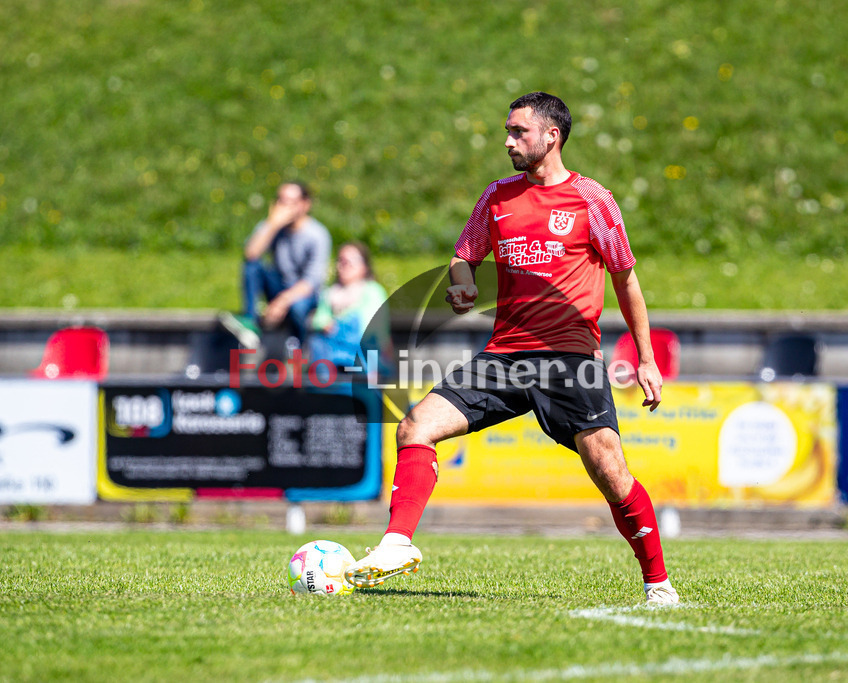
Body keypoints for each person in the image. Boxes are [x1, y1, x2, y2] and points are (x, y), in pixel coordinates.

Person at [344, 92, 679, 605]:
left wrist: (646, 359)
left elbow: (626, 281)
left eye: (519, 131)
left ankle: (658, 584)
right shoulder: (497, 197)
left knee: (611, 473)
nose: (508, 141)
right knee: (415, 427)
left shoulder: (592, 200)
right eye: (507, 130)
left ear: (552, 136)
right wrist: (462, 283)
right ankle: (396, 544)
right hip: (505, 354)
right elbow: (465, 253)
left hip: (571, 359)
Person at [241, 181, 331, 345]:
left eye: (291, 202)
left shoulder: (317, 234)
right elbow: (251, 254)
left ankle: (299, 346)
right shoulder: (273, 225)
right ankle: (250, 323)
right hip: (279, 284)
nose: (284, 207)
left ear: (305, 204)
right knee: (252, 267)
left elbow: (312, 281)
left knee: (298, 307)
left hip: (306, 294)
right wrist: (272, 225)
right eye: (281, 201)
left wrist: (282, 301)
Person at [307, 242, 389, 369]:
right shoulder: (330, 292)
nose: (345, 265)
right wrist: (325, 324)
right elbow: (319, 318)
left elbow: (370, 325)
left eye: (351, 260)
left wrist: (341, 323)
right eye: (342, 260)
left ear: (364, 266)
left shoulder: (372, 290)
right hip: (332, 349)